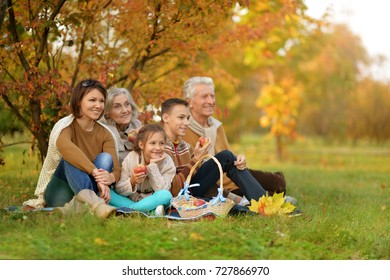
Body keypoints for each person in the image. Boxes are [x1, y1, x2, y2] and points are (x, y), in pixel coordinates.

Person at [23, 79, 120, 218]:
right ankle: (95, 204)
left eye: (102, 101)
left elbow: (115, 168)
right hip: (60, 193)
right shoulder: (65, 126)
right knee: (69, 158)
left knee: (105, 158)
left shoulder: (106, 133)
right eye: (92, 100)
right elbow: (66, 148)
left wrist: (109, 177)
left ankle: (81, 206)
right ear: (79, 101)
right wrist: (95, 173)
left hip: (90, 188)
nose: (98, 105)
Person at [182, 76, 288, 198]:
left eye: (212, 96)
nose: (211, 101)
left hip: (231, 178)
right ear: (189, 101)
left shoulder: (217, 126)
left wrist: (239, 160)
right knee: (273, 190)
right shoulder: (184, 128)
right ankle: (265, 199)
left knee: (278, 182)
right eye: (204, 97)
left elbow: (230, 157)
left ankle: (265, 197)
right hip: (213, 184)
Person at [160, 98, 267, 205]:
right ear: (166, 118)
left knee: (227, 157)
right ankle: (262, 203)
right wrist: (195, 159)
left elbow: (205, 178)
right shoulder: (159, 147)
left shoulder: (185, 146)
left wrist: (234, 198)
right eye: (181, 118)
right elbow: (173, 189)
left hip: (193, 192)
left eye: (188, 118)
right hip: (179, 198)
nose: (186, 123)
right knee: (236, 209)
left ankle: (262, 202)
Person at [108, 123, 176, 215]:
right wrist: (132, 182)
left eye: (162, 143)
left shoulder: (167, 162)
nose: (158, 148)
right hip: (131, 199)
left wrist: (153, 166)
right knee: (107, 193)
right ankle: (148, 212)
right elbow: (119, 190)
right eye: (152, 143)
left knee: (166, 195)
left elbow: (162, 189)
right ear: (141, 145)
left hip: (153, 200)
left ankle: (130, 211)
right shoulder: (131, 158)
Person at [100, 87, 142, 163]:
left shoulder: (137, 125)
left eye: (127, 104)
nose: (125, 110)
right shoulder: (103, 131)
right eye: (117, 106)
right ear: (107, 113)